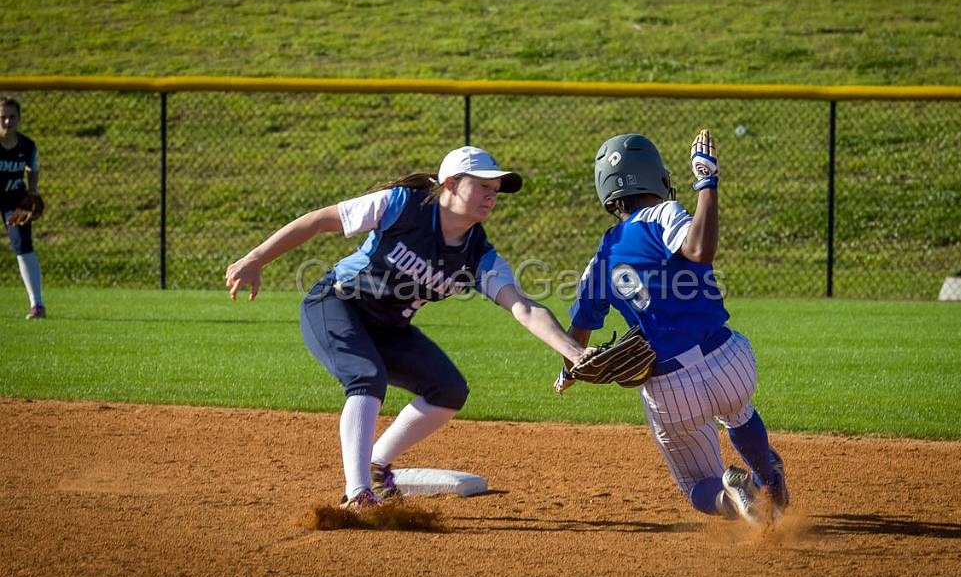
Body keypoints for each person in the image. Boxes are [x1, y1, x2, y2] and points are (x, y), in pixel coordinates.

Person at [226, 146, 589, 509]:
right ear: (450, 184)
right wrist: (255, 259)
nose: (492, 195)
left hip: (389, 329)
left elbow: (523, 308)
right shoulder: (402, 205)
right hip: (336, 303)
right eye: (482, 186)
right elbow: (319, 220)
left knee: (448, 390)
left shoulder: (479, 255)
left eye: (495, 189)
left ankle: (377, 464)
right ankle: (358, 494)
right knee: (367, 377)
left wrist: (575, 352)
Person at [554, 130, 789, 525]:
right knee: (740, 413)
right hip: (729, 361)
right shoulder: (663, 214)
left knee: (698, 484)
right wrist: (706, 183)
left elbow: (576, 336)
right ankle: (769, 481)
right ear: (655, 176)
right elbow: (700, 250)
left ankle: (733, 497)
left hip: (670, 388)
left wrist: (568, 370)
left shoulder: (600, 261)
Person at [0, 97, 45, 320]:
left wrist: (33, 190)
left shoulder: (27, 145)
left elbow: (32, 166)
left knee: (23, 246)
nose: (7, 121)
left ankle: (37, 305)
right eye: (3, 117)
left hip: (14, 200)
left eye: (12, 116)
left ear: (19, 118)